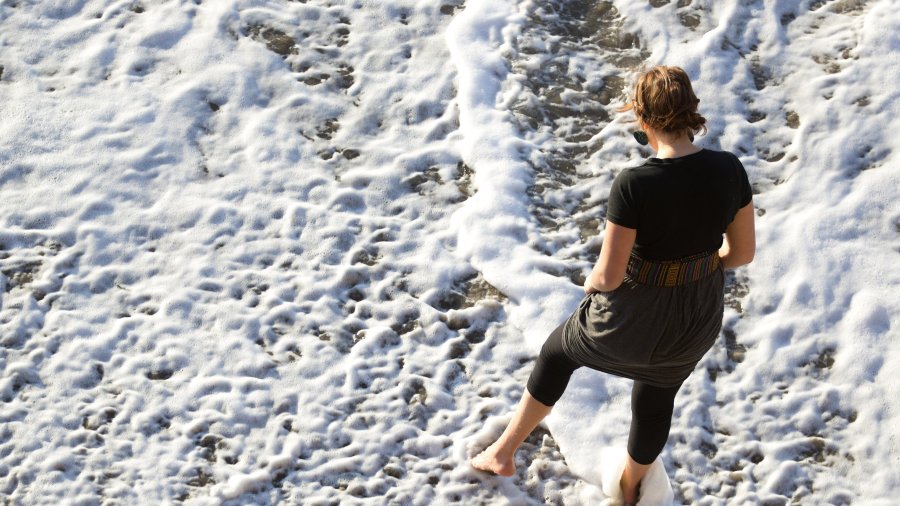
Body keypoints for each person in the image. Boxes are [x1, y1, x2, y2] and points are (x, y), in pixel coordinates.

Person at [470, 66, 756, 505]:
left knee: (557, 353)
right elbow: (740, 255)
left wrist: (590, 284)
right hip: (697, 319)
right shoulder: (729, 169)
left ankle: (503, 453)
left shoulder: (634, 183)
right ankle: (628, 487)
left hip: (633, 320)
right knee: (657, 396)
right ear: (691, 111)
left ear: (642, 117)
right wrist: (697, 266)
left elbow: (609, 275)